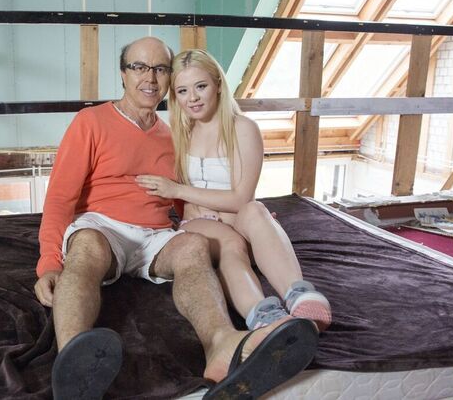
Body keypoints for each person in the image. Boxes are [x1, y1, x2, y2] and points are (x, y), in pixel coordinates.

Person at [35, 38, 318, 399]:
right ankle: (74, 363)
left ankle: (223, 346)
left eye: (160, 69)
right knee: (87, 246)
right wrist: (48, 264)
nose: (150, 77)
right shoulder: (90, 121)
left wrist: (237, 226)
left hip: (156, 234)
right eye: (139, 67)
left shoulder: (173, 135)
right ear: (123, 74)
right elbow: (60, 198)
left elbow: (185, 199)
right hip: (103, 226)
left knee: (193, 246)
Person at [136, 49, 332, 335]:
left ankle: (300, 296)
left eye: (201, 86)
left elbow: (241, 199)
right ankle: (264, 315)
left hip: (239, 220)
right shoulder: (179, 133)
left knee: (256, 209)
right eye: (183, 91)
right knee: (231, 242)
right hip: (202, 225)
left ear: (217, 84)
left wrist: (178, 189)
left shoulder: (243, 128)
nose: (193, 98)